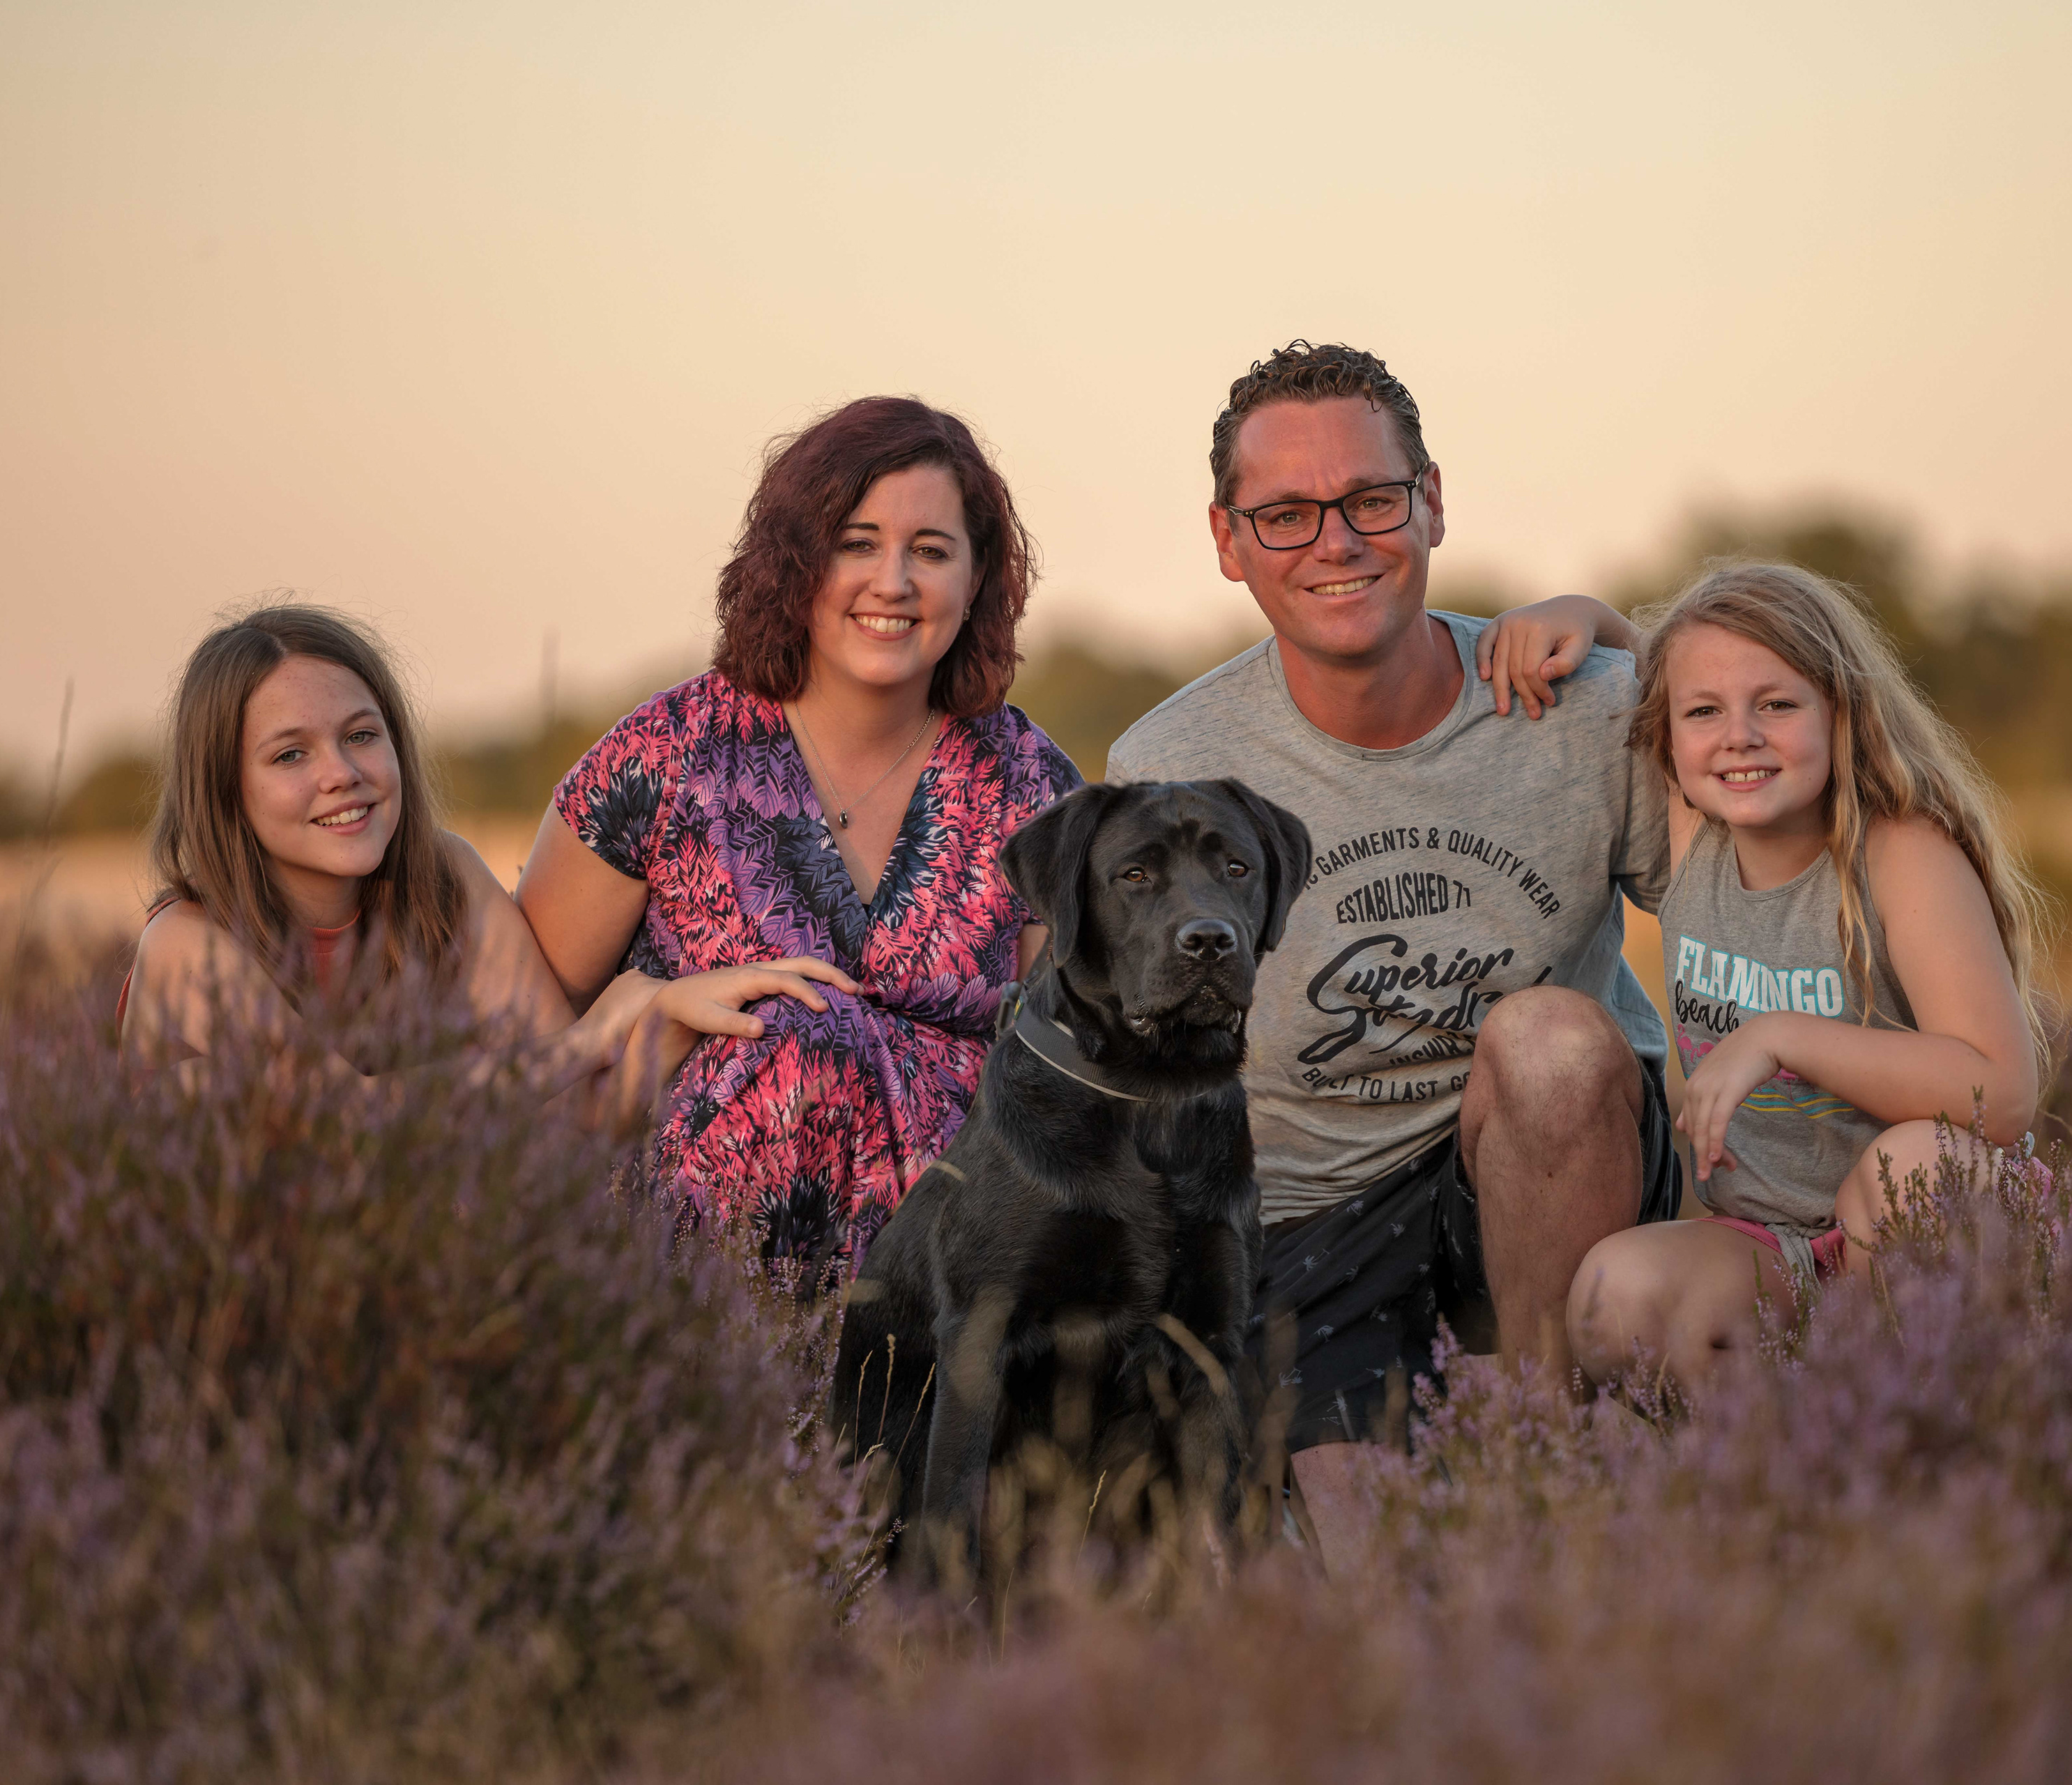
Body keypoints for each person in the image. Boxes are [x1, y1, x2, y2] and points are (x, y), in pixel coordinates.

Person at [1104, 340, 1679, 1562]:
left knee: (1551, 1038)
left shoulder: (1582, 707)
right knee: (1375, 1580)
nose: (1337, 541)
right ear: (1228, 540)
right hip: (1310, 1224)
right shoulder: (1166, 770)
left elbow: (1763, 887)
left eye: (1372, 499)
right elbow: (1136, 1076)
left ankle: (1551, 1449)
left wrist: (1624, 636)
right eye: (1286, 515)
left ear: (1431, 502)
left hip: (1561, 1170)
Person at [516, 397, 1081, 1282]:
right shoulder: (665, 756)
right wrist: (652, 1003)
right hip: (687, 1285)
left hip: (946, 1285)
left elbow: (1065, 1071)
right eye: (857, 543)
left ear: (976, 581)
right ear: (795, 562)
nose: (893, 581)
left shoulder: (1034, 788)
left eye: (931, 551)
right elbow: (530, 1054)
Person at [1566, 561, 2055, 1399]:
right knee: (1614, 1297)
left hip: (1920, 1226)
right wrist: (1587, 616)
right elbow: (1672, 664)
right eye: (1705, 714)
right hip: (1766, 1242)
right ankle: (1777, 1455)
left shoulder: (1903, 854)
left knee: (1914, 1167)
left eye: (1779, 704)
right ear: (1669, 737)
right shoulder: (1694, 832)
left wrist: (1782, 1037)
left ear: (1842, 712)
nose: (1739, 735)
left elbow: (2002, 1093)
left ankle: (1911, 1428)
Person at [119, 604, 791, 1090]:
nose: (341, 773)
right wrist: (587, 1040)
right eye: (290, 754)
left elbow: (574, 1113)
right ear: (225, 788)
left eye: (360, 735)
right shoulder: (187, 944)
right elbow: (343, 1123)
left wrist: (666, 1017)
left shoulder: (445, 877)